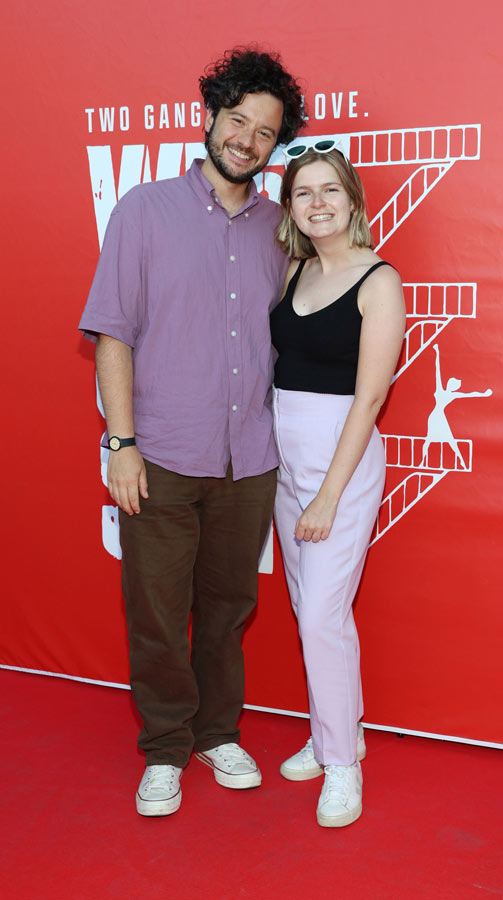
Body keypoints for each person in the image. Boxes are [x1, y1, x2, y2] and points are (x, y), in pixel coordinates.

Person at [79, 47, 304, 817]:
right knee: (155, 611)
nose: (247, 139)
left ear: (276, 146)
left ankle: (216, 733)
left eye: (265, 131)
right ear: (209, 116)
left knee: (227, 608)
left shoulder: (280, 229)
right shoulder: (144, 210)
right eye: (237, 120)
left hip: (250, 459)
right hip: (161, 455)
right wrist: (121, 444)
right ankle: (167, 746)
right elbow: (112, 333)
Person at [270, 144, 405, 827]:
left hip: (340, 466)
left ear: (351, 200)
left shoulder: (379, 280)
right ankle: (337, 733)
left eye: (329, 190)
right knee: (315, 613)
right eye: (303, 192)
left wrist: (327, 493)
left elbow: (370, 397)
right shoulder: (293, 270)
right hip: (284, 462)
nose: (317, 202)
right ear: (290, 207)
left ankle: (342, 769)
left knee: (321, 616)